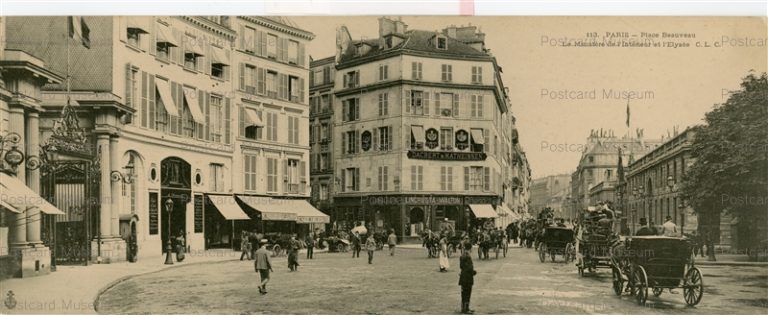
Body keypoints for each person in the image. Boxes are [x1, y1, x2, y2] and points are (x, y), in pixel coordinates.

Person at [459, 243, 477, 314]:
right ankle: (466, 309)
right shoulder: (468, 256)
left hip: (463, 277)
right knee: (467, 293)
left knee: (463, 293)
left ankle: (463, 308)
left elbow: (461, 266)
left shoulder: (462, 255)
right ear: (470, 248)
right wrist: (474, 272)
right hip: (468, 278)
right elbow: (469, 268)